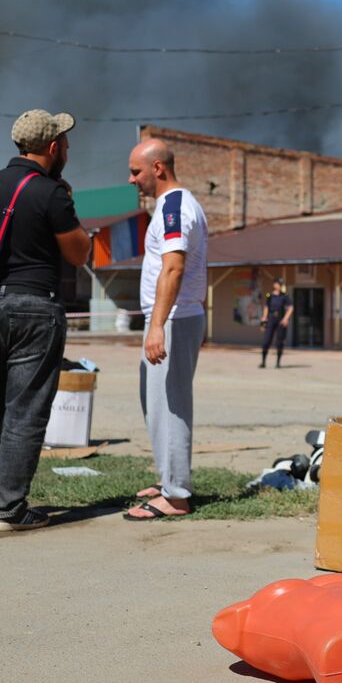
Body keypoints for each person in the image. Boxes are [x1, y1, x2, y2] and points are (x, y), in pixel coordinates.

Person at [0, 109, 90, 532]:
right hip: (35, 308)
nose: (67, 148)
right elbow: (79, 254)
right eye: (64, 142)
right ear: (51, 148)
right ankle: (8, 509)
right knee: (24, 412)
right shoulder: (52, 193)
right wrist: (69, 206)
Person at [124, 137, 208, 520]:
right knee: (156, 406)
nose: (131, 180)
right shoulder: (170, 206)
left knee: (171, 407)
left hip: (174, 319)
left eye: (136, 171)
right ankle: (168, 480)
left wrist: (157, 325)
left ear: (158, 168)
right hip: (170, 318)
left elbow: (174, 267)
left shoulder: (174, 207)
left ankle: (176, 497)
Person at [259, 279, 293, 368]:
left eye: (279, 284)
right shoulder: (269, 295)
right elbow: (266, 308)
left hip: (280, 320)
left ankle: (278, 363)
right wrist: (263, 322)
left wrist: (286, 319)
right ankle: (263, 362)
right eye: (276, 284)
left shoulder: (285, 295)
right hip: (270, 319)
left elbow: (290, 308)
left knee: (279, 342)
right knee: (266, 341)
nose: (277, 285)